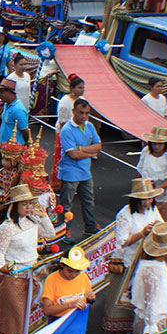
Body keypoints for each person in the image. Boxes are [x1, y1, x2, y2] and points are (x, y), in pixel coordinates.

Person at [0, 184, 56, 334]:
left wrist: (43, 216)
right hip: (15, 274)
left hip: (34, 272)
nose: (29, 207)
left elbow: (50, 234)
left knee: (32, 311)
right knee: (13, 314)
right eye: (25, 204)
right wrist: (3, 268)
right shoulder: (7, 227)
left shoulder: (33, 221)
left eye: (31, 203)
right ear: (15, 206)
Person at [105, 178, 164, 334]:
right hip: (127, 263)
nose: (147, 202)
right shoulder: (125, 214)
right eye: (143, 199)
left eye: (149, 198)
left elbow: (160, 225)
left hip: (143, 263)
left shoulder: (153, 211)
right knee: (118, 300)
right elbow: (122, 242)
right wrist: (142, 233)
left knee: (134, 300)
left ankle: (124, 333)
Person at [58, 98, 101, 243]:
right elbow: (73, 154)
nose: (84, 116)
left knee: (88, 200)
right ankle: (64, 231)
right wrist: (90, 153)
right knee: (66, 205)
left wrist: (81, 149)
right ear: (74, 112)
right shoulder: (67, 130)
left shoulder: (90, 126)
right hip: (70, 172)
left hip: (84, 171)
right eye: (81, 113)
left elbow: (98, 146)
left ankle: (90, 226)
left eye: (87, 113)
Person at [137, 125, 167, 221]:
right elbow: (140, 171)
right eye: (154, 143)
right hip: (150, 190)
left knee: (165, 220)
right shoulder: (146, 151)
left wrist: (158, 189)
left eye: (160, 144)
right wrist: (141, 188)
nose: (157, 147)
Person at [0, 78, 29, 145]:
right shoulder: (6, 105)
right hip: (4, 147)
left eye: (1, 92)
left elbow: (25, 131)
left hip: (13, 150)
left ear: (9, 92)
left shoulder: (18, 110)